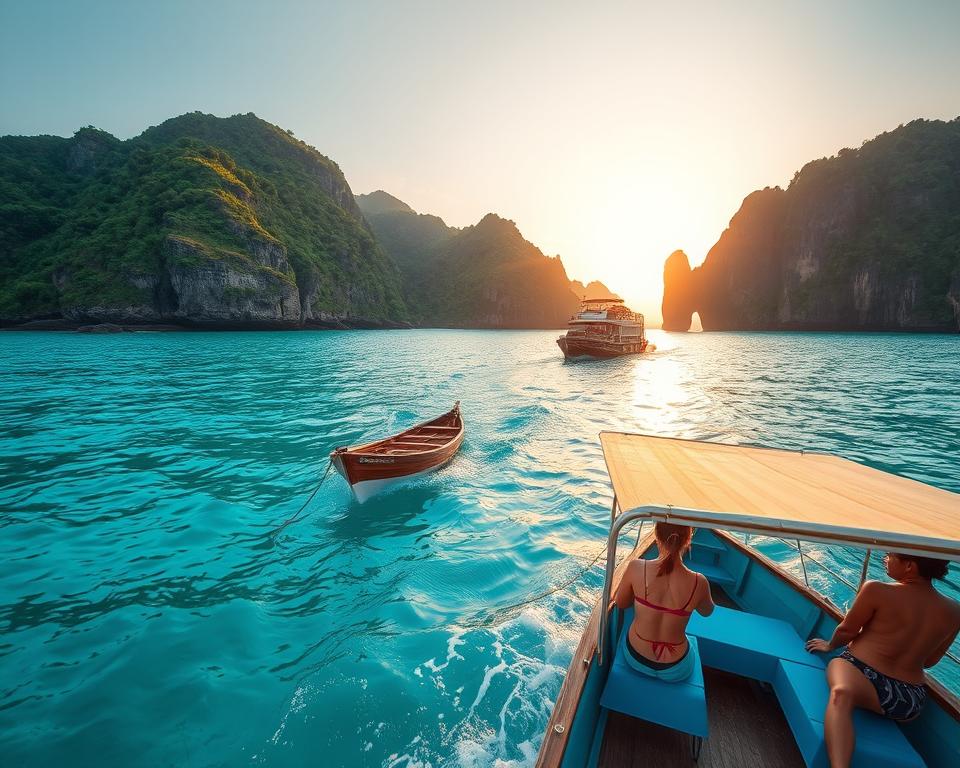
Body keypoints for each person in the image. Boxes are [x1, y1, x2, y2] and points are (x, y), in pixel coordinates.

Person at [805, 552, 960, 768]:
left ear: (910, 566)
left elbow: (847, 631)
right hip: (908, 701)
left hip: (861, 678)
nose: (885, 558)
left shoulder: (877, 589)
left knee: (842, 693)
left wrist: (830, 645)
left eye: (891, 555)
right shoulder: (954, 610)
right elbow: (929, 662)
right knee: (845, 688)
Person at [613, 522, 715, 681]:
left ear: (657, 537)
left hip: (636, 658)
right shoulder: (699, 582)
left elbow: (621, 603)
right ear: (688, 540)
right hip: (676, 668)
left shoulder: (636, 568)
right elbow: (707, 612)